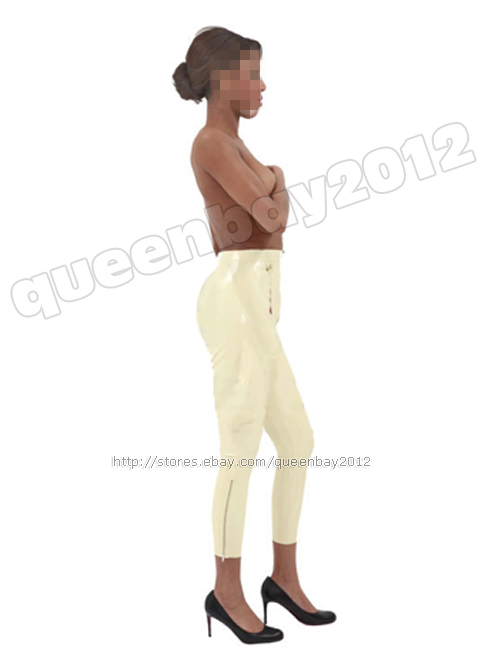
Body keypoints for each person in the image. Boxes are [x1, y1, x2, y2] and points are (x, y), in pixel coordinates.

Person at [173, 26, 336, 644]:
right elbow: (271, 215)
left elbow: (272, 211)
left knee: (297, 439)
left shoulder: (238, 146)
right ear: (222, 82)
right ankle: (225, 591)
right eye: (252, 75)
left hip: (259, 302)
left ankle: (283, 581)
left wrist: (273, 182)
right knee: (239, 448)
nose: (262, 86)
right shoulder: (210, 142)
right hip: (235, 298)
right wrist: (277, 179)